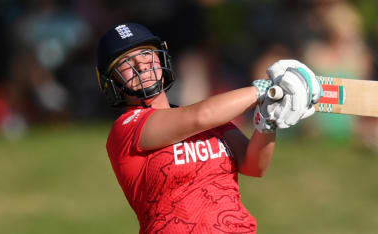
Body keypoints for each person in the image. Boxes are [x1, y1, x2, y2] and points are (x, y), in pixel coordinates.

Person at [96, 23, 322, 233]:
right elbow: (200, 116)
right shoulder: (126, 128)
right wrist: (266, 90)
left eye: (146, 53)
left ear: (160, 57)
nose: (140, 64)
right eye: (126, 62)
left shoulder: (211, 119)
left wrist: (268, 121)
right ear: (112, 80)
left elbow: (254, 166)